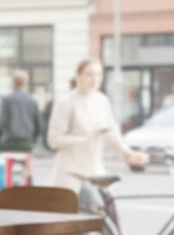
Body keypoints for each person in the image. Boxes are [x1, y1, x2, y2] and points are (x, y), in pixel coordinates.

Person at [48, 58, 147, 203]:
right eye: (89, 74)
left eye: (98, 75)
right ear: (78, 75)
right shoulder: (66, 103)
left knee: (110, 218)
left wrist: (128, 154)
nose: (95, 79)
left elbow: (112, 135)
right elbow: (53, 140)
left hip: (96, 172)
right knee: (89, 217)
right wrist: (84, 138)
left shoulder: (102, 101)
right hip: (71, 175)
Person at [0, 70, 42, 152]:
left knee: (9, 163)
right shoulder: (32, 101)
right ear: (26, 83)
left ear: (13, 83)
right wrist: (33, 140)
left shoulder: (7, 100)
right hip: (27, 142)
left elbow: (2, 123)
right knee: (25, 164)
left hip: (10, 142)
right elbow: (38, 124)